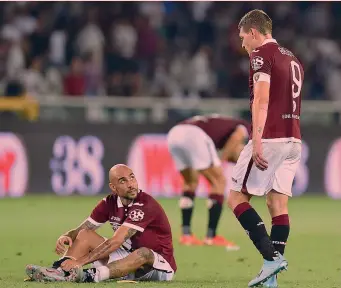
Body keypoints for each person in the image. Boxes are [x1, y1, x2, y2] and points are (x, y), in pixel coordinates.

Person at [227, 10, 304, 288]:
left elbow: (262, 99)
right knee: (277, 204)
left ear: (254, 32)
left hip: (270, 138)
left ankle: (271, 259)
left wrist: (256, 139)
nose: (243, 44)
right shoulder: (292, 57)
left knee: (236, 198)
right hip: (293, 139)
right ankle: (271, 278)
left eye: (243, 37)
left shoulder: (261, 54)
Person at [25, 164, 176, 283]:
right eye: (123, 181)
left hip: (157, 265)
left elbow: (116, 241)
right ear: (113, 187)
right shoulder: (109, 203)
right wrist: (67, 236)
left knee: (143, 252)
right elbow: (84, 229)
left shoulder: (144, 204)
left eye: (132, 178)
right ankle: (58, 271)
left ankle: (90, 276)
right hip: (126, 258)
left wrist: (80, 262)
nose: (131, 184)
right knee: (85, 235)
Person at [167, 114, 250, 248]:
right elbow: (237, 136)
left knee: (190, 182)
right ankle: (211, 237)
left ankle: (186, 235)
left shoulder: (222, 123)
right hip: (194, 135)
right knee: (219, 181)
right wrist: (224, 158)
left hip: (174, 134)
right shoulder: (245, 127)